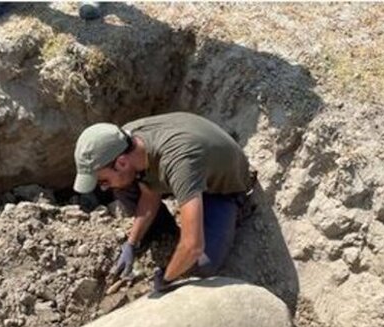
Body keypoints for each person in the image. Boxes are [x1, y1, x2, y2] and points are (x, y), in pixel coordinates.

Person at [73, 112, 254, 292]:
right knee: (123, 186)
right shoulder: (125, 141)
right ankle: (164, 235)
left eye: (102, 180)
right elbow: (149, 191)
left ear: (121, 163)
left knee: (203, 264)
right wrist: (132, 243)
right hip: (193, 165)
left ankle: (233, 211)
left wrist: (168, 278)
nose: (103, 188)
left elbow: (193, 246)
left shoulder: (179, 163)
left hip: (222, 187)